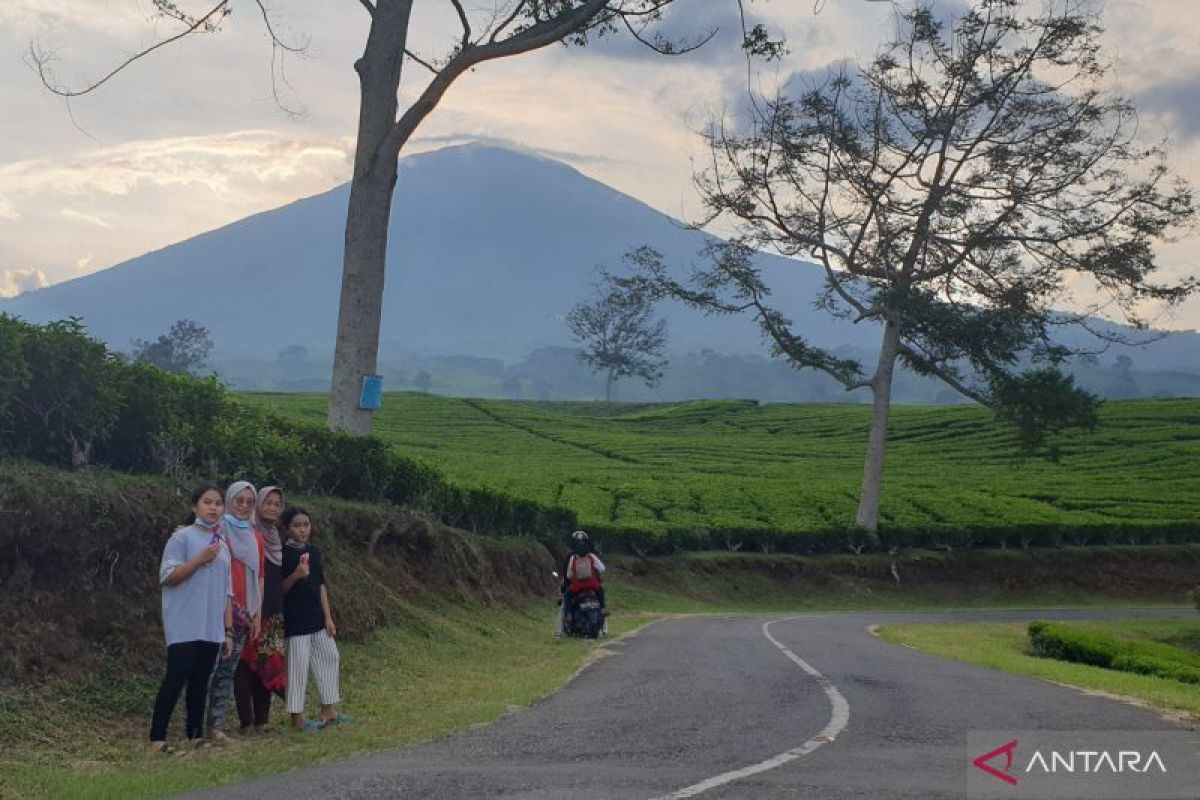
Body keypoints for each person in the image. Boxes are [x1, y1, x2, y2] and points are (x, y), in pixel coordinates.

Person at [148, 484, 234, 753]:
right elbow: (167, 577)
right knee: (176, 679)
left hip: (211, 626)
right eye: (207, 502)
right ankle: (157, 738)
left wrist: (228, 630)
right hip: (185, 624)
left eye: (218, 503)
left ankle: (195, 734)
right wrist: (199, 559)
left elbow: (227, 591)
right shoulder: (182, 538)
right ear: (194, 507)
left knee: (200, 682)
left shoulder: (222, 545)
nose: (213, 507)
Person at [280, 507, 351, 731]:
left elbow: (321, 585)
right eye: (297, 526)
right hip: (295, 621)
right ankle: (296, 718)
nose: (302, 530)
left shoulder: (314, 552)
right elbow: (279, 589)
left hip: (317, 618)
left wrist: (328, 617)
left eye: (306, 525)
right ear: (287, 528)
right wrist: (296, 575)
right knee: (297, 669)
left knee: (330, 657)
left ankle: (328, 710)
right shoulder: (282, 554)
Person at [205, 481, 263, 742]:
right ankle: (195, 725)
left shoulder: (255, 536)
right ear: (229, 500)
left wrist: (255, 613)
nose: (244, 506)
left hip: (243, 616)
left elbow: (259, 575)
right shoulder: (217, 529)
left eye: (249, 502)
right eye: (239, 500)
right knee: (206, 670)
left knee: (226, 673)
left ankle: (215, 727)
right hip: (215, 611)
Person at [234, 485, 286, 733]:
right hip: (251, 610)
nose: (273, 508)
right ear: (258, 504)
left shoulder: (276, 537)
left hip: (274, 612)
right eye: (268, 503)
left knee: (267, 664)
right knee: (245, 666)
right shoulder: (248, 534)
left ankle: (263, 720)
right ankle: (246, 721)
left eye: (277, 504)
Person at [555, 530, 608, 638]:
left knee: (565, 603)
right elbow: (602, 569)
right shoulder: (592, 556)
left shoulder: (571, 558)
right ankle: (604, 628)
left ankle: (559, 631)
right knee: (601, 602)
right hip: (593, 586)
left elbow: (568, 575)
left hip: (577, 587)